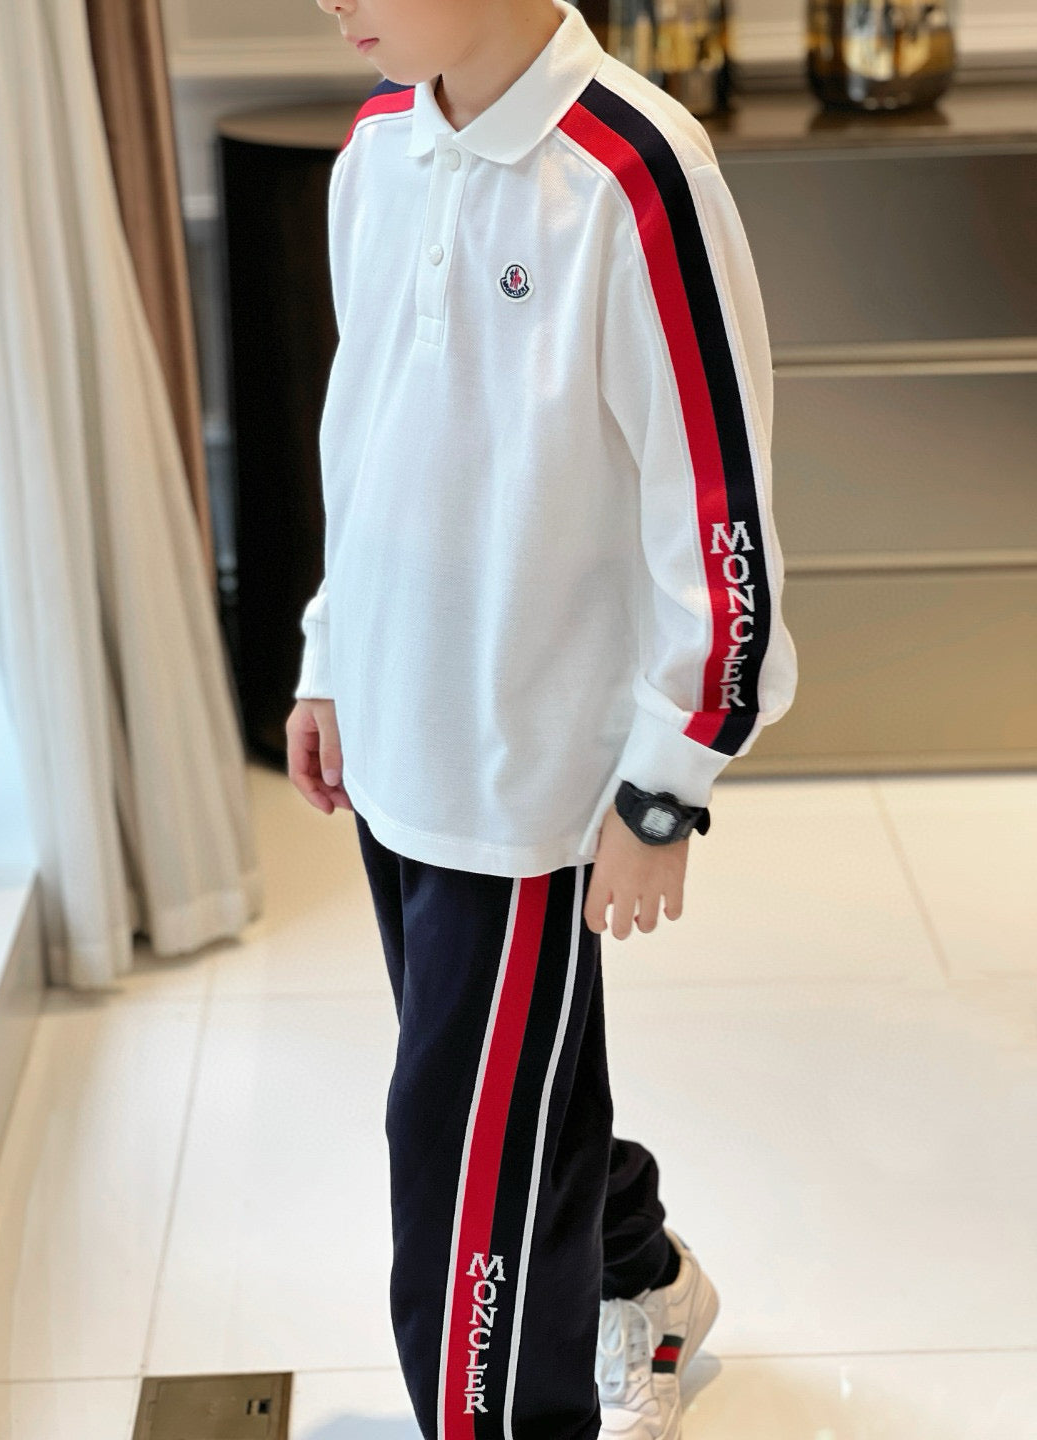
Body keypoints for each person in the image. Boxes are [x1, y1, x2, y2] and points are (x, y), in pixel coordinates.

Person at [285, 0, 799, 1436]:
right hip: (402, 738)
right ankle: (642, 1279)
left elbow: (718, 513)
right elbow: (362, 432)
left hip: (531, 785)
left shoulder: (635, 172)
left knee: (457, 1169)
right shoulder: (379, 146)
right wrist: (331, 655)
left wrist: (665, 783)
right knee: (514, 1105)